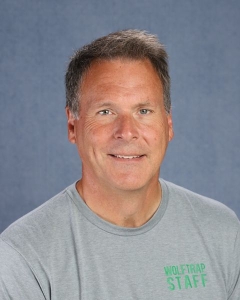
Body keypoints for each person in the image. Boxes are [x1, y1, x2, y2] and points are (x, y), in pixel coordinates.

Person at [0, 29, 239, 300]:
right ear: (72, 126)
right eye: (106, 112)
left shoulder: (223, 233)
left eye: (144, 111)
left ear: (168, 123)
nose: (126, 131)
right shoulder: (21, 256)